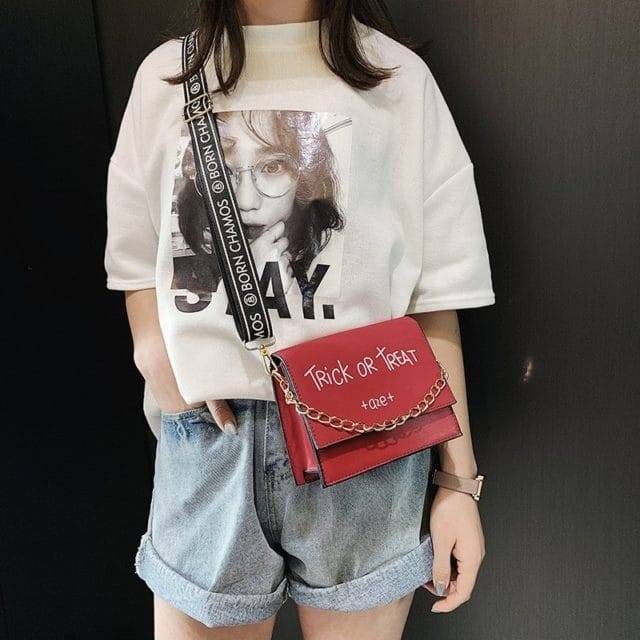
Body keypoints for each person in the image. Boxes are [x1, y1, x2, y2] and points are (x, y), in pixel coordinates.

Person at [104, 1, 496, 638]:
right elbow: (132, 259)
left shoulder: (397, 79)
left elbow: (433, 300)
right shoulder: (168, 77)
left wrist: (458, 483)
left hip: (362, 442)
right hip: (211, 443)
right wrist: (155, 356)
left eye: (273, 166)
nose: (251, 190)